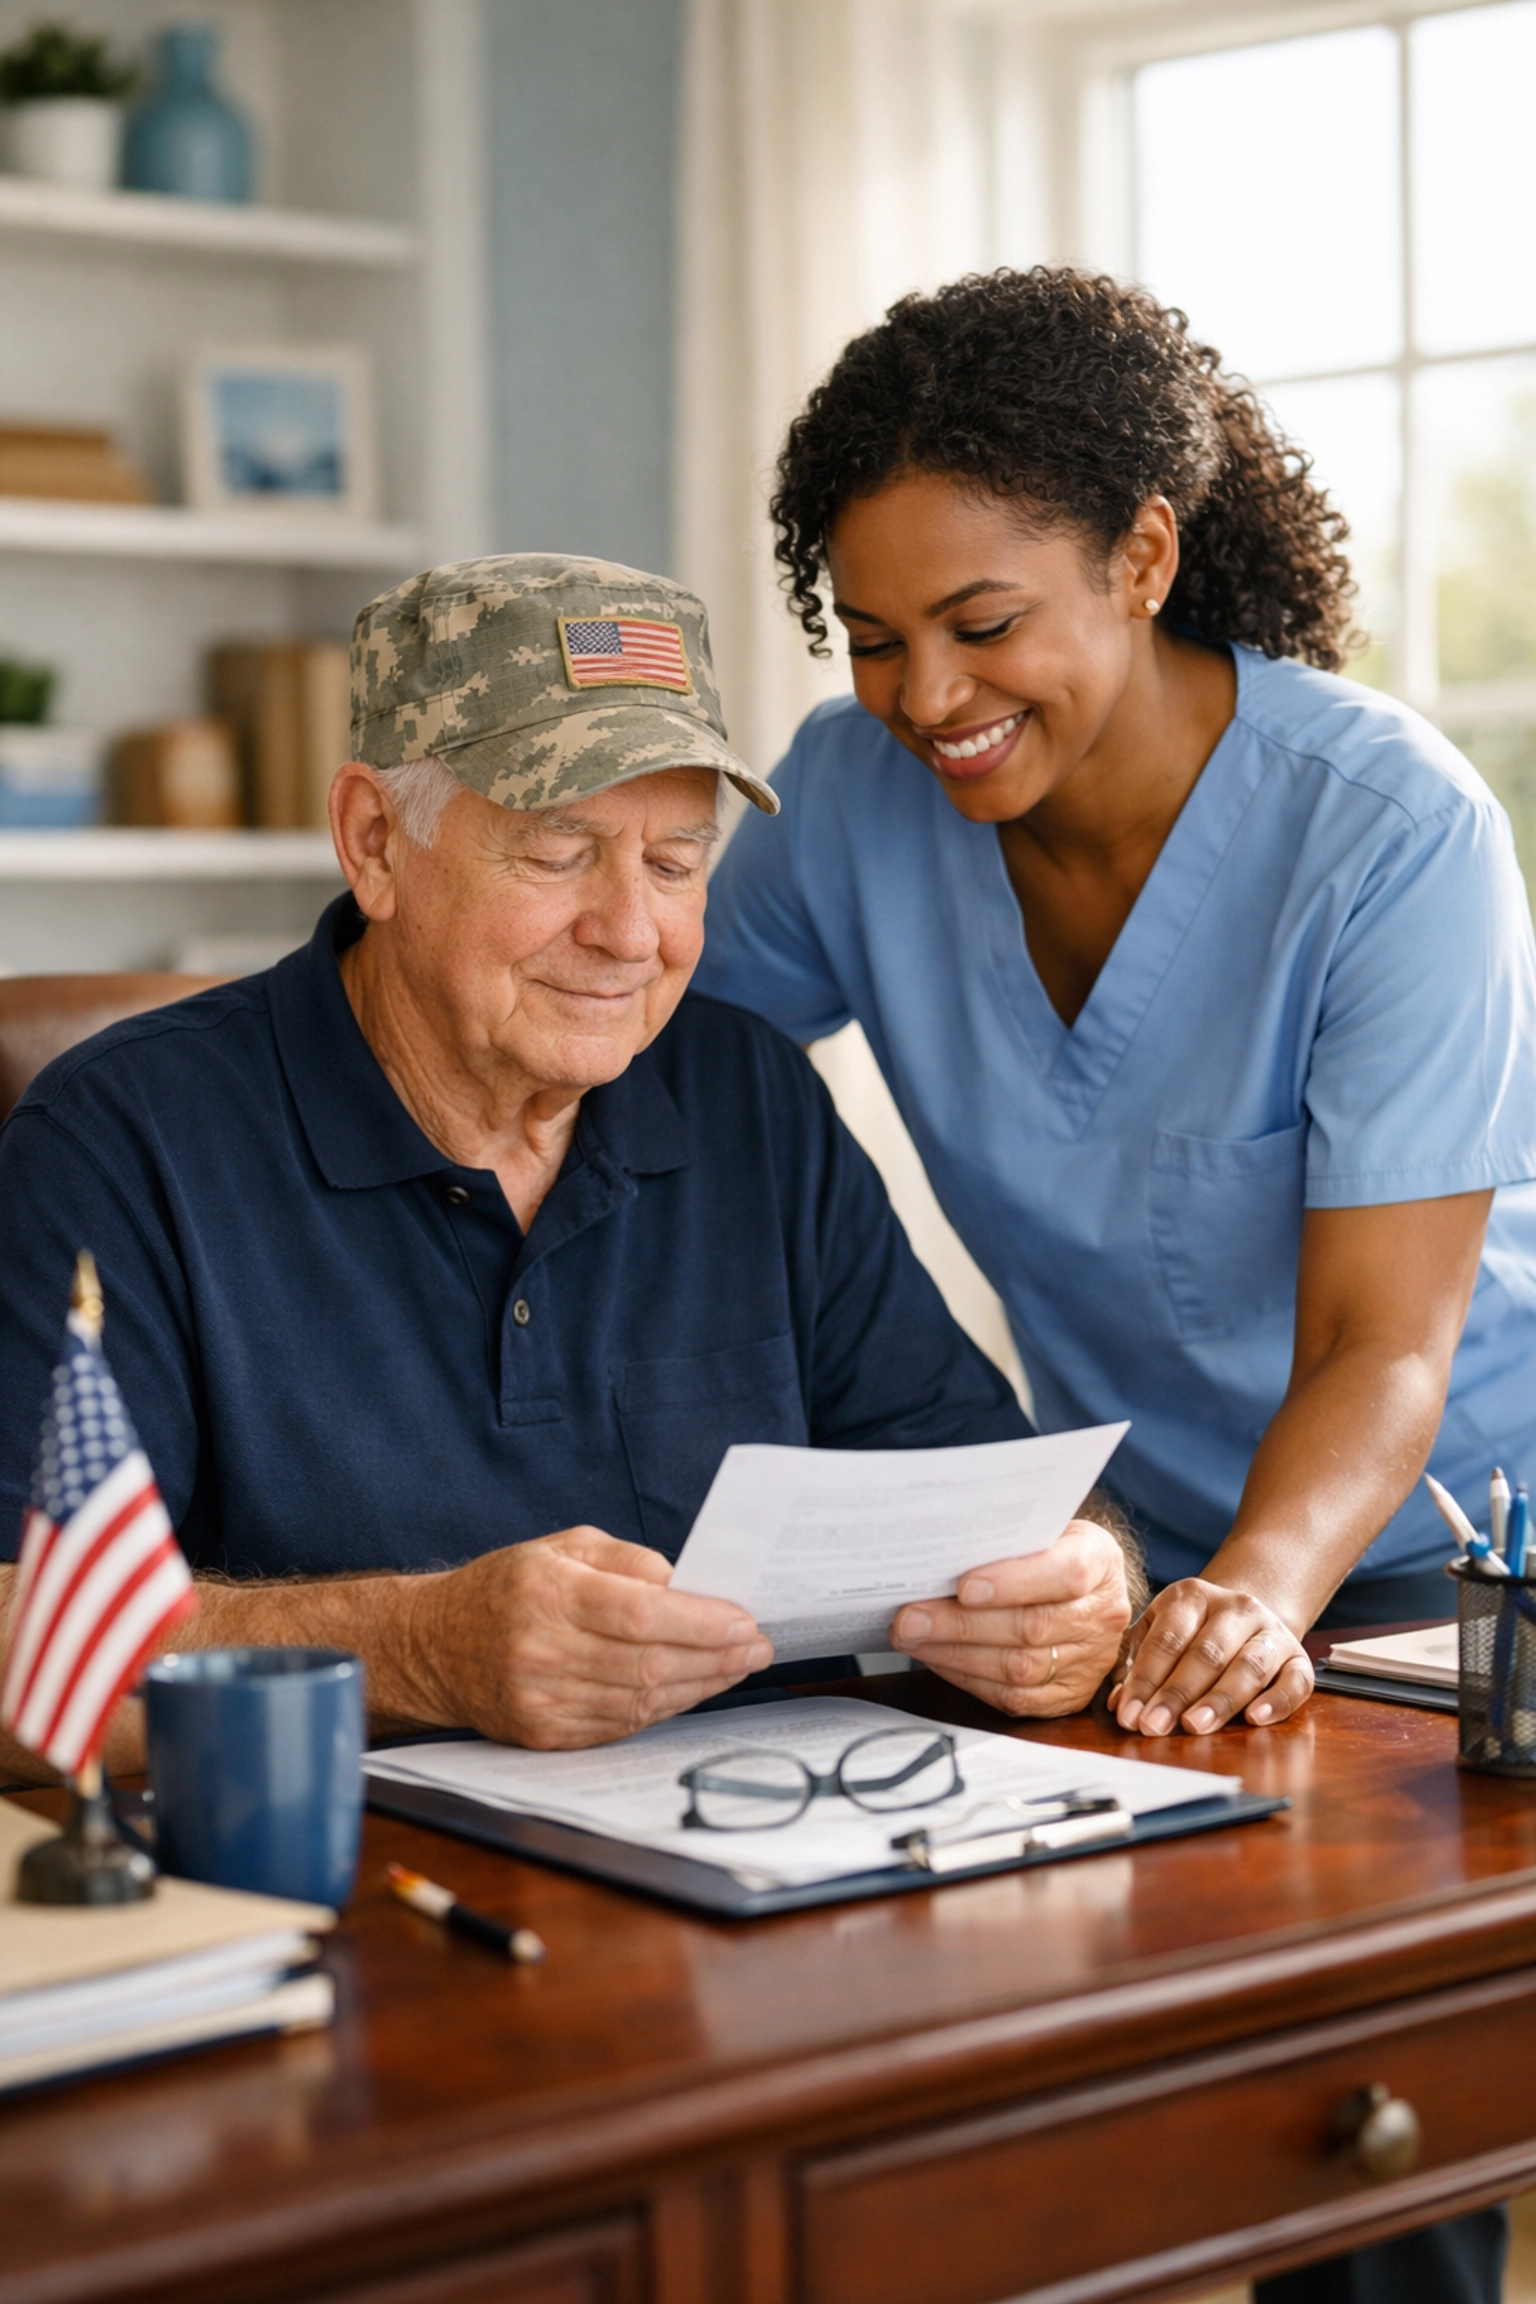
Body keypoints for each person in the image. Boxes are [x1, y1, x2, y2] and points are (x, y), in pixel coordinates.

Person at [693, 271, 1535, 2304]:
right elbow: (650, 1056)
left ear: (1144, 556)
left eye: (982, 625)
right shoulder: (852, 807)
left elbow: (1386, 1345)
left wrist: (1258, 1587)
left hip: (1449, 1541)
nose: (925, 697)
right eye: (874, 637)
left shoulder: (1385, 831)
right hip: (1142, 1552)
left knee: (1361, 2094)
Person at [0, 553, 1137, 1790]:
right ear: (374, 843)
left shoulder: (749, 1094)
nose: (631, 933)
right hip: (345, 1875)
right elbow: (22, 1646)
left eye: (675, 863)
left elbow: (988, 1502)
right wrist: (417, 1650)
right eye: (557, 853)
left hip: (772, 1847)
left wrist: (1084, 1582)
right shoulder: (120, 1138)